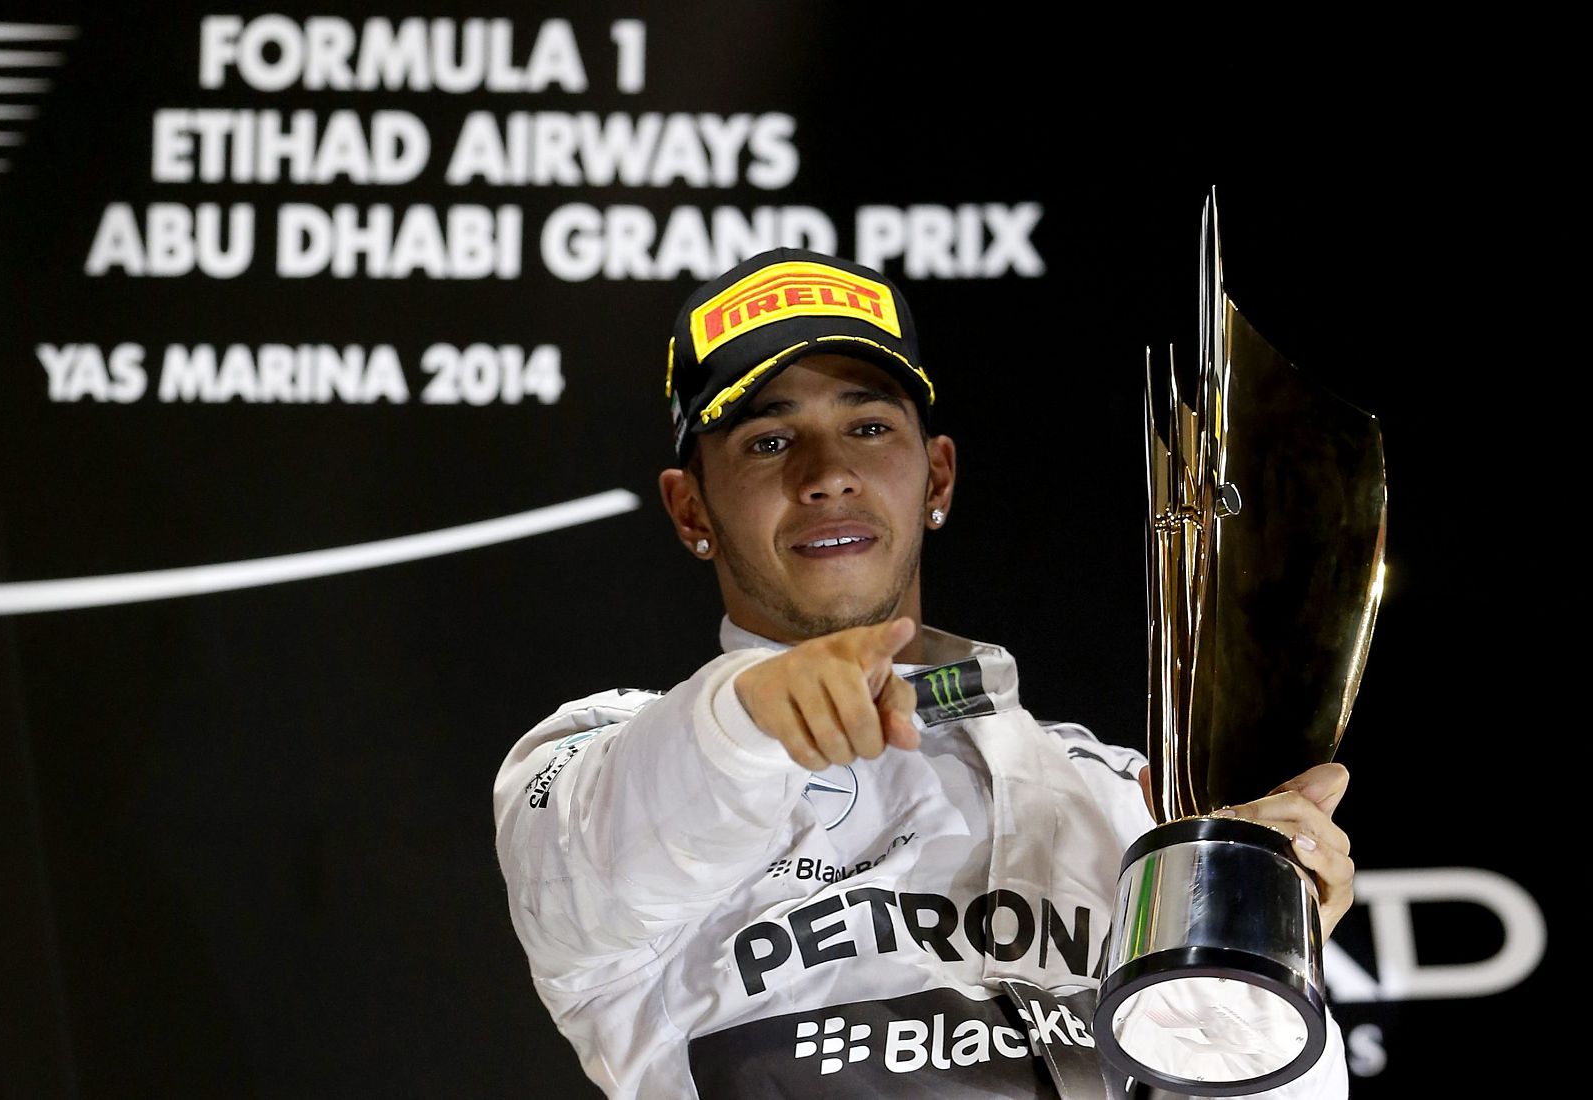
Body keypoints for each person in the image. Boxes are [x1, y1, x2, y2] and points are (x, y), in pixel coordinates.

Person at [493, 249, 1354, 1098]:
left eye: (868, 427)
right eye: (769, 439)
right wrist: (747, 717)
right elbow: (614, 840)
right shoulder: (595, 765)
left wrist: (1249, 963)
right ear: (692, 510)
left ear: (937, 477)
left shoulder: (1123, 799)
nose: (828, 475)